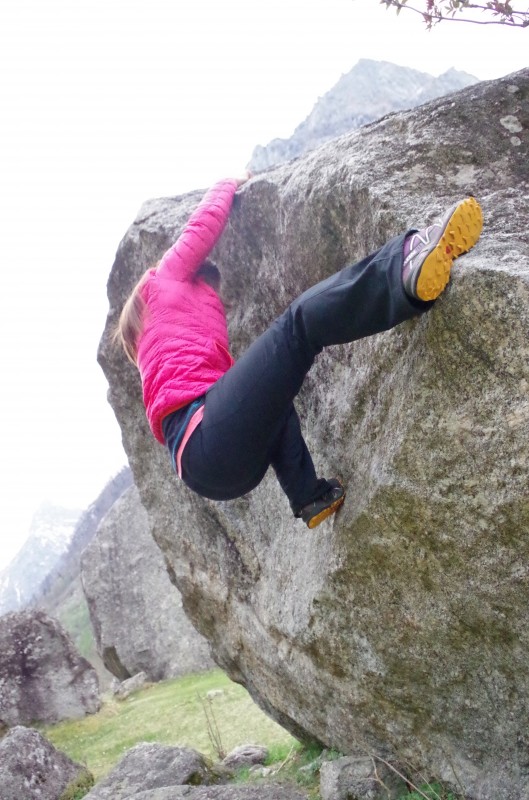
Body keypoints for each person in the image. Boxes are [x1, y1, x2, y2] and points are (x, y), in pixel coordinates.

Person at [115, 175, 483, 528]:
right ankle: (404, 265)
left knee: (275, 390)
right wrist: (228, 181)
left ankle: (309, 497)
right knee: (298, 325)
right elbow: (200, 228)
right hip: (207, 437)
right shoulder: (161, 281)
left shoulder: (157, 350)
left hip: (214, 474)